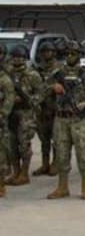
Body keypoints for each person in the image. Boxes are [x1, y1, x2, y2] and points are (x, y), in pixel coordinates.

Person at [47, 41, 85, 200]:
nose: (70, 56)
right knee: (61, 154)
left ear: (79, 55)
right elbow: (42, 91)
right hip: (61, 119)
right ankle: (62, 187)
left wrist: (82, 105)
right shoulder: (57, 75)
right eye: (67, 53)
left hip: (79, 120)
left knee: (83, 153)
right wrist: (53, 88)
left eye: (73, 54)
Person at [6, 45, 43, 186]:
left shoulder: (32, 74)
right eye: (14, 57)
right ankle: (15, 171)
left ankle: (24, 173)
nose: (17, 60)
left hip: (26, 113)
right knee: (11, 144)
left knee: (24, 144)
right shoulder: (7, 73)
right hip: (10, 112)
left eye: (20, 57)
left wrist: (28, 99)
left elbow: (41, 93)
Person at [32, 40, 60, 177]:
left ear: (54, 53)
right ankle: (45, 163)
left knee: (57, 138)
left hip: (55, 108)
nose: (46, 54)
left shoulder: (60, 69)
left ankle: (55, 163)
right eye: (43, 52)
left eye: (48, 51)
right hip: (41, 109)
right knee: (44, 139)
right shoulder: (37, 69)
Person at [0, 50, 13, 198]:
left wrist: (2, 114)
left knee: (1, 154)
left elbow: (9, 98)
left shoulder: (4, 79)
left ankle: (1, 184)